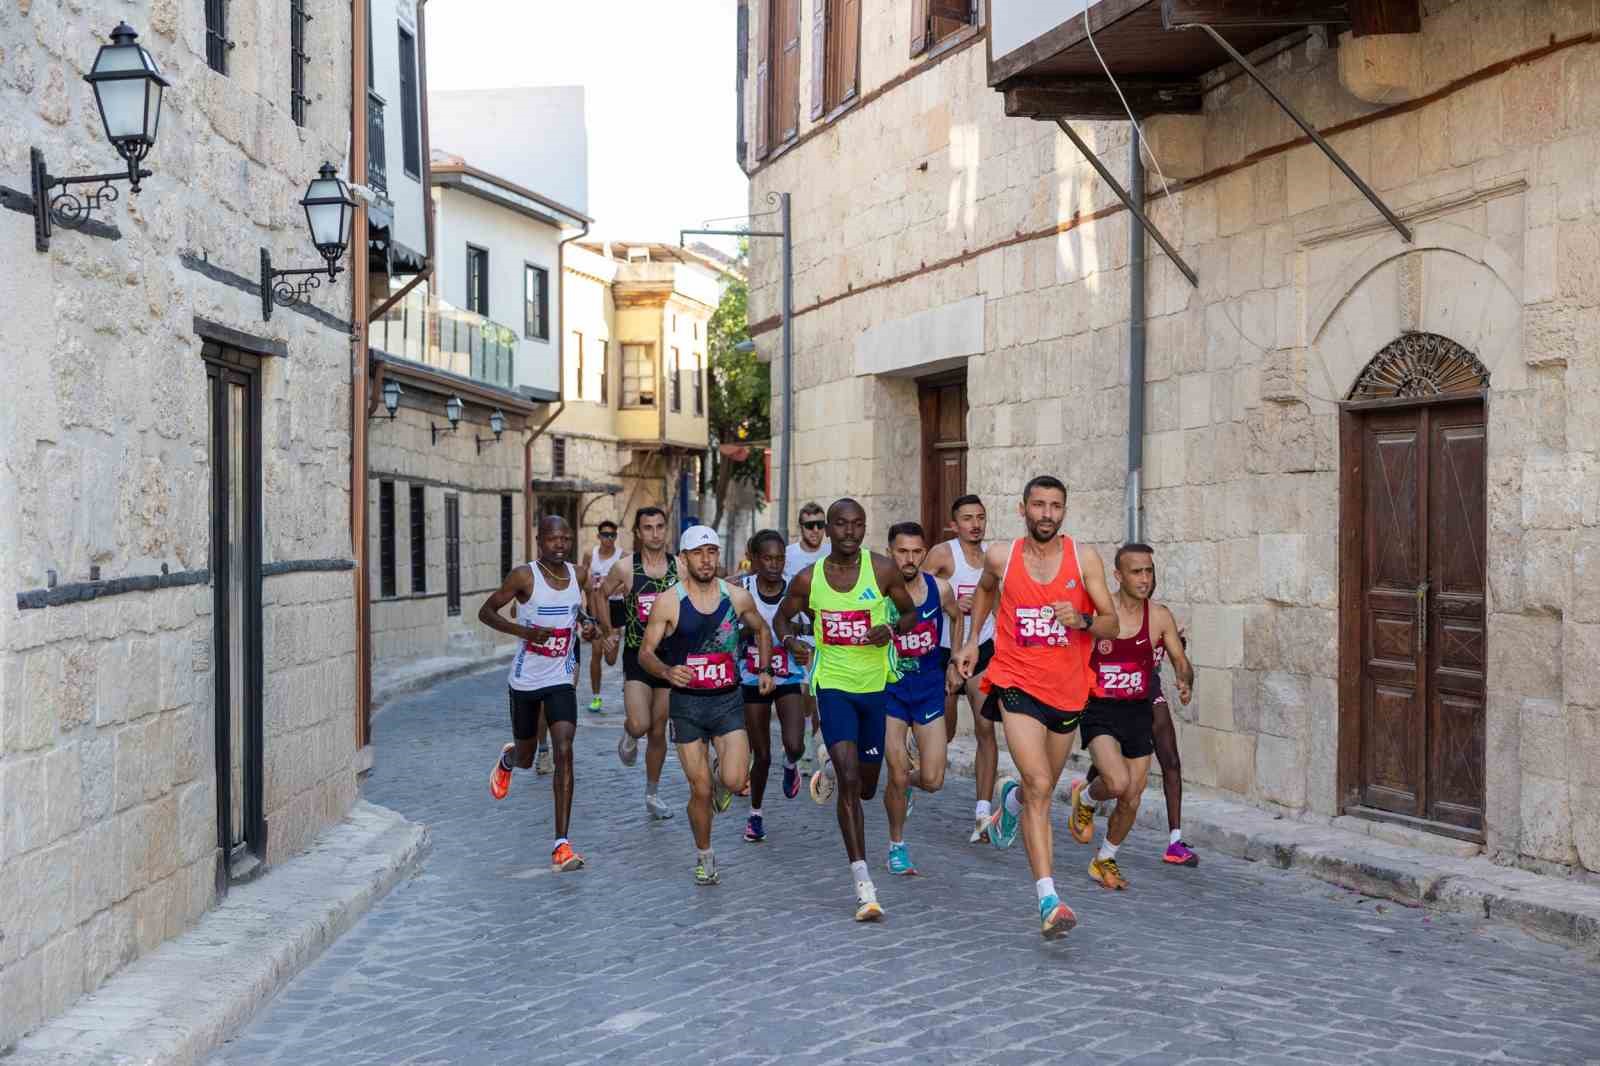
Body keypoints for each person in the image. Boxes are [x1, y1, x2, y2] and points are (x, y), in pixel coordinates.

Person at [953, 476, 1117, 939]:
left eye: (1056, 506)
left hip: (1067, 691)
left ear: (1064, 511)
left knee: (1033, 791)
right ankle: (1049, 898)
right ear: (1022, 508)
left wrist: (1082, 619)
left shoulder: (1083, 559)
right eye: (1039, 505)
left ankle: (1010, 802)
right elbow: (985, 589)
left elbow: (1112, 623)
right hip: (1016, 681)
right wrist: (970, 641)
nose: (1047, 513)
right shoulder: (1002, 557)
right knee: (1042, 783)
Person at [774, 498, 919, 922]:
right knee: (852, 780)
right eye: (841, 525)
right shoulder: (809, 578)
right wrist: (790, 643)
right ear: (830, 530)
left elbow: (911, 614)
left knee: (870, 786)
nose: (850, 532)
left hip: (874, 691)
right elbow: (782, 619)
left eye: (858, 525)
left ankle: (831, 767)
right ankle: (864, 887)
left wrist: (891, 628)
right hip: (832, 686)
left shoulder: (883, 571)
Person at [638, 525, 773, 885]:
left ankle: (720, 779)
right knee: (699, 790)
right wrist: (667, 672)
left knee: (734, 778)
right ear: (683, 559)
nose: (706, 559)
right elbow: (645, 653)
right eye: (698, 553)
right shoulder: (669, 601)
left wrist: (763, 668)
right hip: (687, 706)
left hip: (728, 701)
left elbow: (762, 630)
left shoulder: (736, 597)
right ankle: (705, 855)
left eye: (711, 552)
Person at [1067, 544, 1194, 888]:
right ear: (1118, 575)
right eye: (1136, 572)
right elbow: (1069, 650)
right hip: (1100, 709)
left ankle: (1104, 859)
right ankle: (1088, 796)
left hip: (1138, 710)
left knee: (1132, 796)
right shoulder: (1098, 610)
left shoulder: (1160, 616)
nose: (1144, 579)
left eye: (1149, 571)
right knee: (1118, 782)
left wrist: (1185, 679)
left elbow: (1180, 659)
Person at [480, 515, 599, 872]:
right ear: (539, 541)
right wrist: (524, 632)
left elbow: (578, 612)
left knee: (564, 749)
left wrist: (588, 625)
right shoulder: (523, 576)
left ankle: (561, 844)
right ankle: (509, 758)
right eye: (552, 539)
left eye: (565, 538)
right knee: (528, 757)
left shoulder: (579, 575)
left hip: (560, 676)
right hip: (525, 680)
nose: (560, 544)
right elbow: (486, 612)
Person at [881, 521, 960, 877]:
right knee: (895, 772)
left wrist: (955, 661)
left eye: (916, 552)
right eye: (902, 551)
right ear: (890, 552)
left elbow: (958, 618)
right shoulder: (877, 592)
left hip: (928, 688)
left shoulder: (939, 589)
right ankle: (897, 846)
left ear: (924, 553)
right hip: (890, 689)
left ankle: (907, 788)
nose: (909, 559)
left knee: (932, 779)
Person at [923, 495, 1001, 842]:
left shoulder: (993, 559)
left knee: (987, 728)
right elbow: (915, 595)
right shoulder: (943, 554)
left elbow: (1002, 601)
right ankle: (912, 775)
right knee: (947, 733)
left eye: (981, 517)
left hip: (983, 647)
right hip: (943, 650)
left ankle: (982, 812)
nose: (975, 524)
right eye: (967, 518)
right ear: (955, 524)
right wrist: (952, 603)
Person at [595, 506, 677, 820]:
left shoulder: (679, 568)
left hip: (669, 658)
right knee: (641, 724)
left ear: (665, 530)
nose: (655, 533)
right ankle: (630, 733)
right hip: (636, 654)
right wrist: (608, 631)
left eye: (659, 527)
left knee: (658, 731)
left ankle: (652, 794)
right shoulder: (626, 568)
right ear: (638, 533)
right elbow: (600, 595)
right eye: (648, 528)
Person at [738, 529, 811, 843]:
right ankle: (755, 815)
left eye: (779, 557)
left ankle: (791, 763)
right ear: (754, 559)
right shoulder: (741, 588)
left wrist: (796, 640)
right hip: (752, 675)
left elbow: (814, 620)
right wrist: (748, 633)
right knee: (761, 754)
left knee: (795, 743)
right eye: (766, 557)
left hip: (788, 673)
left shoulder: (795, 588)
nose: (773, 564)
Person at [785, 502, 830, 767]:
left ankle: (816, 743)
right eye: (809, 525)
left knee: (819, 689)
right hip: (798, 633)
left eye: (820, 525)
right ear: (800, 527)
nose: (815, 530)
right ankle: (802, 741)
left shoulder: (833, 552)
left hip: (829, 633)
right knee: (806, 690)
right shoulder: (789, 555)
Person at [584, 519, 625, 714]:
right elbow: (583, 579)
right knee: (596, 653)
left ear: (616, 537)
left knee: (610, 659)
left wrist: (612, 587)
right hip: (594, 608)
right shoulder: (589, 555)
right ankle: (596, 697)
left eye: (612, 535)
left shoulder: (623, 556)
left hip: (615, 607)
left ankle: (628, 683)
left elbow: (629, 582)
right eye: (605, 535)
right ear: (598, 536)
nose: (608, 539)